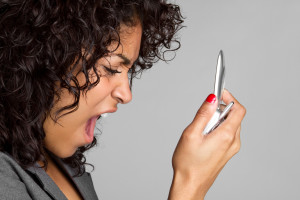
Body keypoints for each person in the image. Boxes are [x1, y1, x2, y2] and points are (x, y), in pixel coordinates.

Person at [0, 0, 246, 200]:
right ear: (46, 60)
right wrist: (190, 184)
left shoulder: (64, 166)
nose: (126, 95)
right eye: (111, 69)